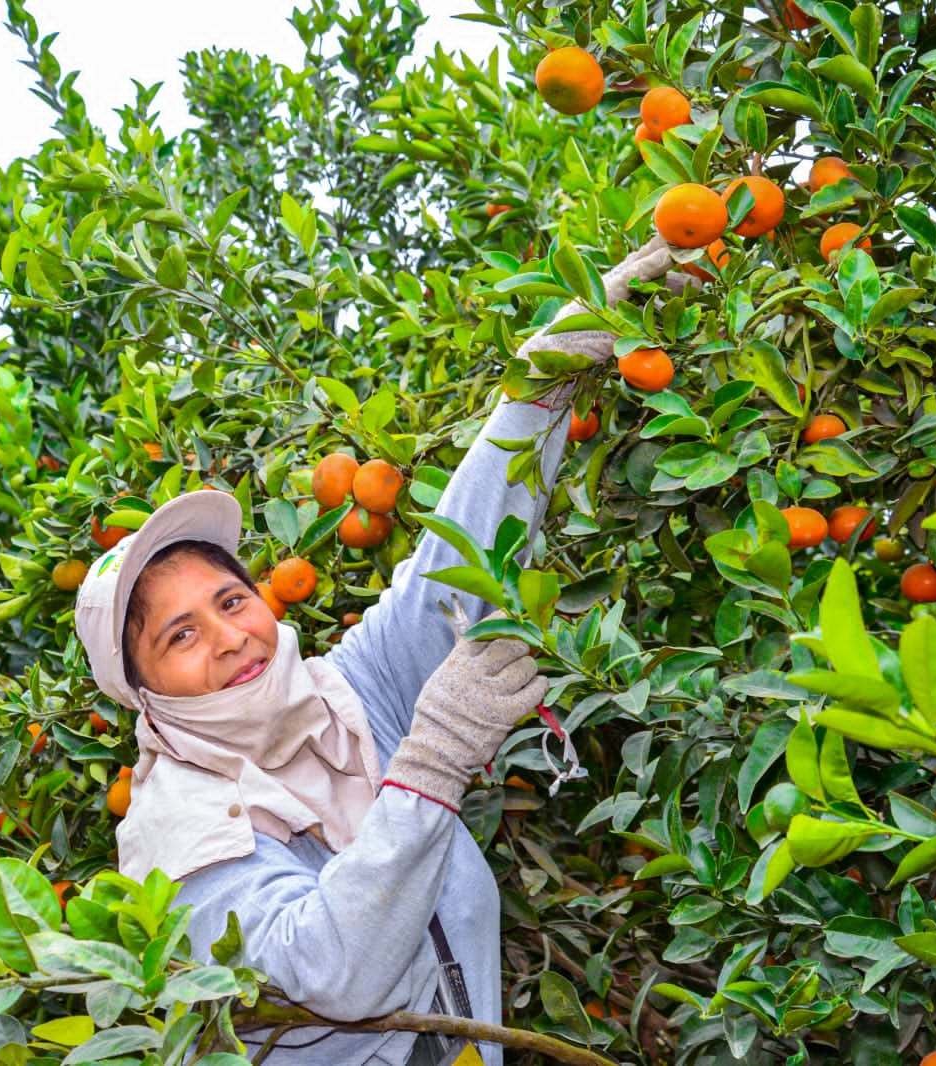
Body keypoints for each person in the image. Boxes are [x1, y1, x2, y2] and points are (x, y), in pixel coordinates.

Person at [70, 237, 682, 1065]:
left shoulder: (346, 699)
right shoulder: (176, 832)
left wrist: (549, 370)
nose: (228, 639)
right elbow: (331, 970)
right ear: (141, 687)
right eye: (179, 636)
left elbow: (460, 558)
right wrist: (431, 761)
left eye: (230, 600)